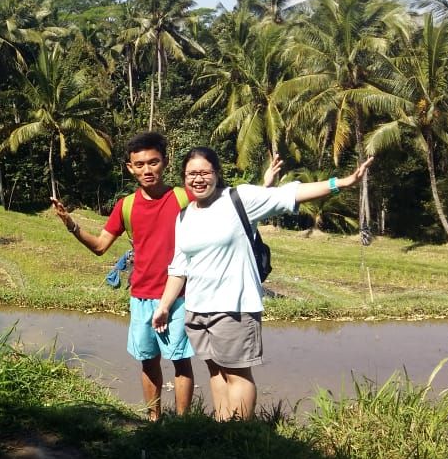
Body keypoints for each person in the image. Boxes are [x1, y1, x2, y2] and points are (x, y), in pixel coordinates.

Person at [51, 133, 278, 420]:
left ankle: (182, 423)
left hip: (182, 296)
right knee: (147, 361)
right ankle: (153, 420)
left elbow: (230, 203)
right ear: (130, 168)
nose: (147, 170)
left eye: (153, 162)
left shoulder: (184, 197)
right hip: (141, 296)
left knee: (181, 362)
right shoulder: (126, 206)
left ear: (166, 163)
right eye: (140, 164)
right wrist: (71, 224)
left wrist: (265, 186)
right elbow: (99, 246)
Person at [152, 147, 374, 421]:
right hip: (196, 309)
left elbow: (290, 194)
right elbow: (179, 266)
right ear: (183, 177)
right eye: (191, 173)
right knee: (215, 371)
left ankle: (240, 437)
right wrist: (164, 305)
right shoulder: (184, 216)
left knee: (236, 373)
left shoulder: (239, 197)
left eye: (205, 172)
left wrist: (340, 183)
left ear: (217, 174)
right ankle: (221, 431)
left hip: (233, 306)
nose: (198, 179)